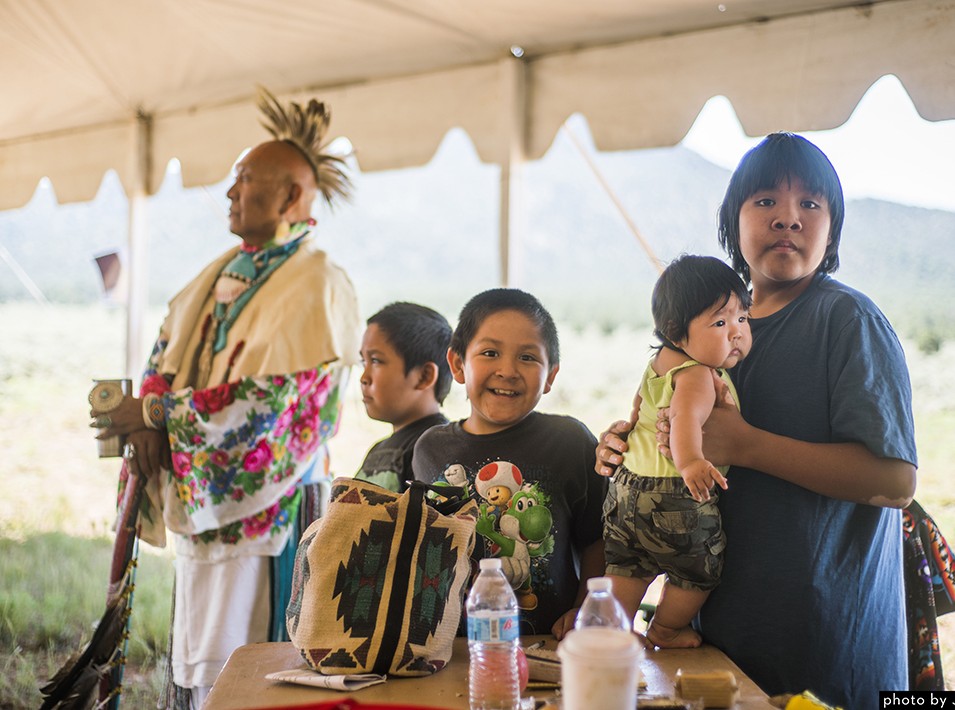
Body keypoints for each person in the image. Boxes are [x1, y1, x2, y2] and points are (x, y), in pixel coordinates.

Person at [595, 133, 916, 710]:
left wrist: (745, 445)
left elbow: (895, 482)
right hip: (716, 633)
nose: (787, 218)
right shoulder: (712, 330)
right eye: (765, 201)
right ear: (732, 223)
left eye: (810, 205)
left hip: (819, 645)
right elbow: (681, 421)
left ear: (832, 228)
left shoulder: (848, 321)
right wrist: (627, 445)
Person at [95, 92, 361, 709]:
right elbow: (165, 358)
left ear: (292, 196)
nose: (230, 193)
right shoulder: (217, 272)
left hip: (262, 513)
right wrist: (146, 420)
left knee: (247, 668)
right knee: (197, 654)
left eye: (245, 180)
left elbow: (290, 408)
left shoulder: (318, 282)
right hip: (203, 502)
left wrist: (163, 416)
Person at [412, 288, 607, 637]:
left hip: (549, 643)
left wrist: (584, 612)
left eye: (528, 358)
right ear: (458, 364)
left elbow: (599, 539)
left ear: (550, 376)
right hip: (451, 648)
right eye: (490, 352)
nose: (508, 370)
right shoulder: (430, 449)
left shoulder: (570, 442)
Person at [603, 255, 751, 650]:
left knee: (628, 566)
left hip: (625, 490)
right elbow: (685, 416)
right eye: (720, 323)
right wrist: (690, 462)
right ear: (675, 331)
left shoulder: (657, 364)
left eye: (742, 319)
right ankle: (665, 629)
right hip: (675, 495)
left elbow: (636, 414)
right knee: (698, 570)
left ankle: (613, 632)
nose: (736, 332)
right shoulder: (699, 374)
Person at [354, 302, 453, 492]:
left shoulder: (436, 450)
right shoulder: (379, 450)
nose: (363, 378)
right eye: (363, 362)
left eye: (376, 361)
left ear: (424, 376)